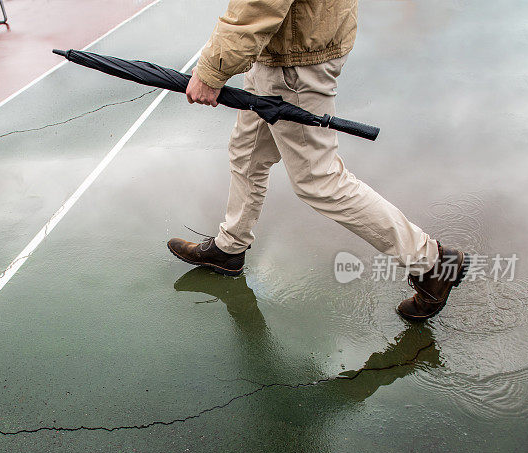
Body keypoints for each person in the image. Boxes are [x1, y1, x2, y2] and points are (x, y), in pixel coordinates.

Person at [167, 0, 469, 321]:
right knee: (248, 152)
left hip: (294, 60)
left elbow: (259, 3)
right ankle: (230, 247)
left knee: (319, 180)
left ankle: (432, 263)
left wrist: (213, 69)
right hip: (285, 45)